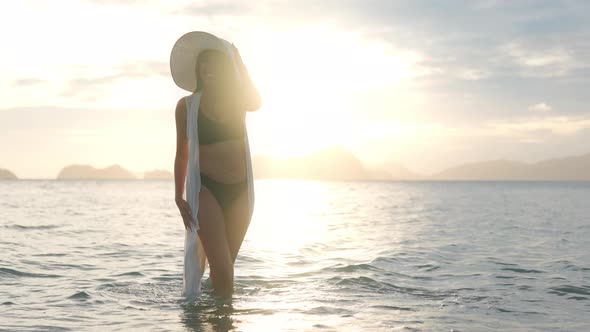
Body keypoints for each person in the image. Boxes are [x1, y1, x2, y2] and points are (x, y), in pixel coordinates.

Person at [170, 31, 261, 298]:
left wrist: (241, 66)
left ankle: (216, 315)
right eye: (203, 63)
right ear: (198, 68)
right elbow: (181, 153)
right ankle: (225, 322)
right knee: (223, 270)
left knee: (225, 268)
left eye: (215, 63)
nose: (208, 68)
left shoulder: (238, 100)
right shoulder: (186, 107)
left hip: (241, 189)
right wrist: (178, 196)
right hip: (206, 190)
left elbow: (257, 102)